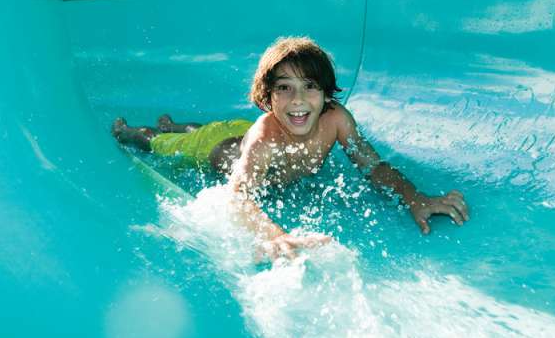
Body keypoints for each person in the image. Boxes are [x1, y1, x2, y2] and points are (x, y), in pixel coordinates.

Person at [112, 37, 469, 260]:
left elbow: (374, 167)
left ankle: (176, 123)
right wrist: (278, 237)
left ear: (326, 94)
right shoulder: (264, 138)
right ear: (268, 98)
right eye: (284, 88)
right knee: (166, 144)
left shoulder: (337, 119)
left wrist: (414, 197)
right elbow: (237, 195)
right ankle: (136, 132)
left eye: (309, 86)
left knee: (209, 128)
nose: (298, 100)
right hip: (216, 147)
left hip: (237, 131)